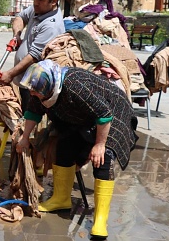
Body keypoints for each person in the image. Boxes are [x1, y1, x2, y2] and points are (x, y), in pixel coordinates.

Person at [15, 60, 138, 239]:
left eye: (35, 90)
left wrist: (99, 145)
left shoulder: (74, 85)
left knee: (103, 159)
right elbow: (33, 112)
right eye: (31, 90)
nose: (32, 93)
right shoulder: (42, 92)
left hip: (113, 114)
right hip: (85, 117)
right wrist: (24, 138)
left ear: (49, 86)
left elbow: (104, 115)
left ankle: (100, 219)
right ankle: (61, 198)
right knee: (65, 146)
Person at [0, 0, 65, 110]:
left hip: (34, 86)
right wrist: (17, 35)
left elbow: (33, 56)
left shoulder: (51, 25)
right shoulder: (38, 9)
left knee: (28, 118)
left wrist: (10, 74)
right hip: (23, 82)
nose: (35, 3)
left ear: (54, 1)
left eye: (40, 0)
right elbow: (20, 17)